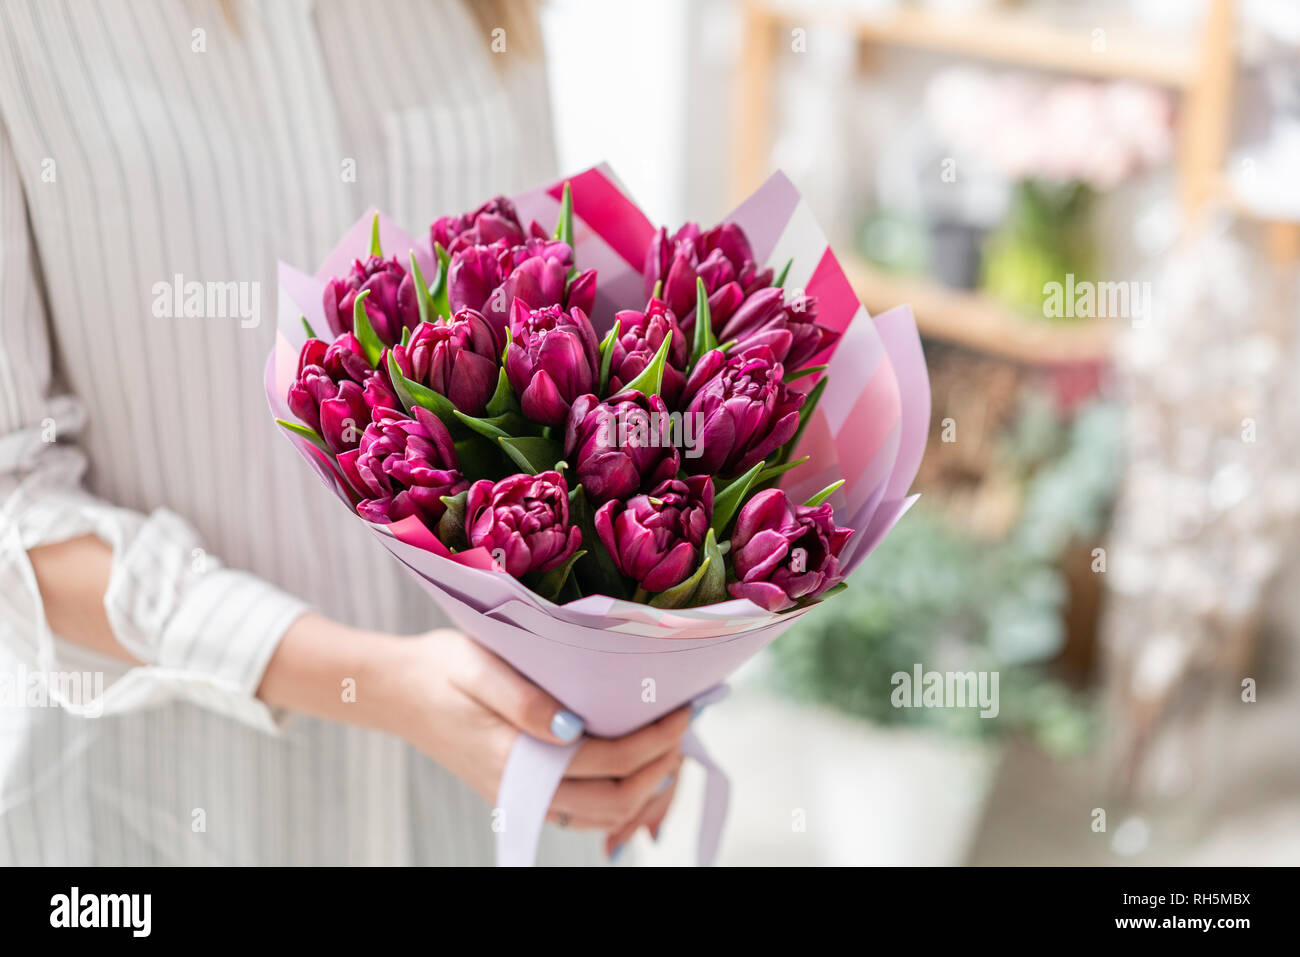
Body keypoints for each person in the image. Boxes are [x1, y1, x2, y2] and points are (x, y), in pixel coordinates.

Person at [0, 0, 685, 866]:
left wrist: (642, 670)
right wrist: (383, 685)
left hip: (488, 809)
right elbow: (12, 500)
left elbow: (556, 337)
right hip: (165, 811)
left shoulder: (489, 14)